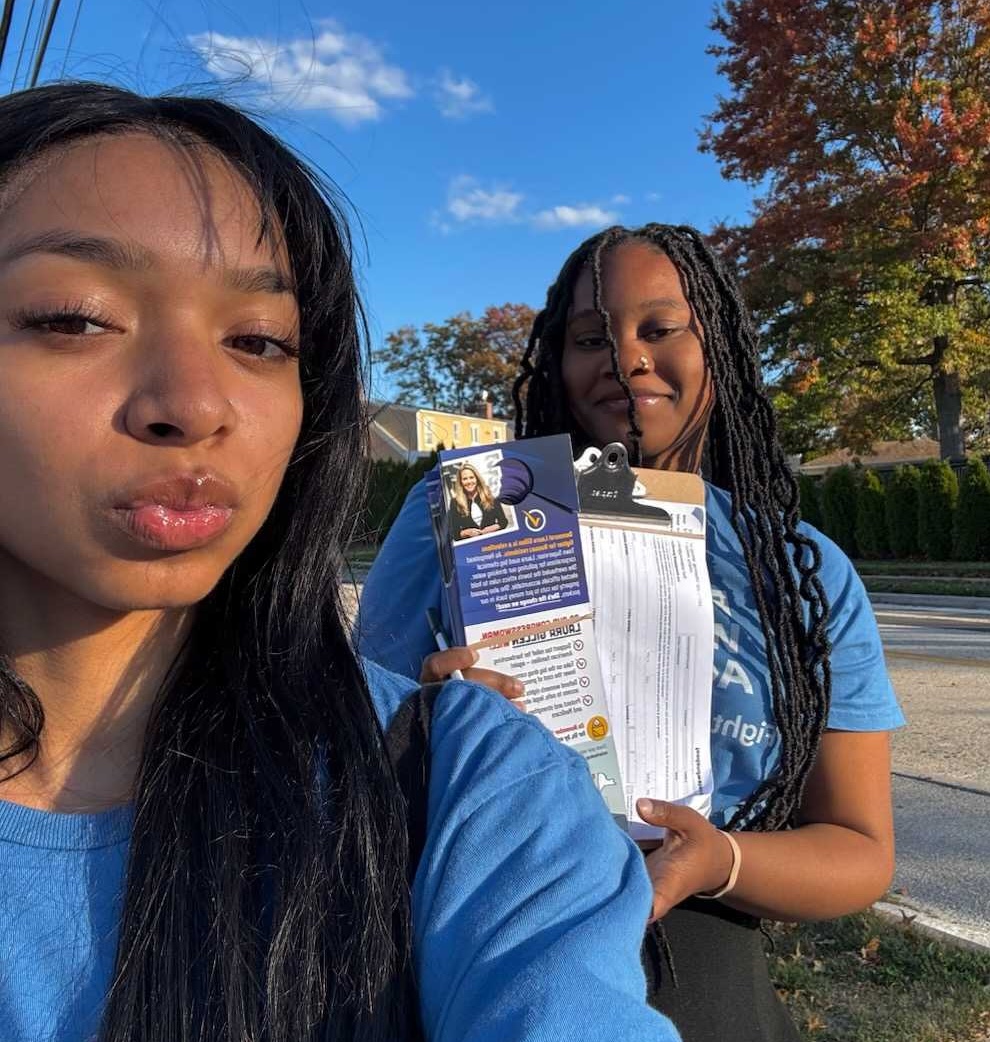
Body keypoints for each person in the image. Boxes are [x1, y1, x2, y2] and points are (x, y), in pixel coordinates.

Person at [0, 85, 680, 1042]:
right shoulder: (474, 505)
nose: (196, 404)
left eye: (257, 340)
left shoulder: (469, 785)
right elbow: (394, 657)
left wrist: (725, 862)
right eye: (74, 317)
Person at [359, 224, 905, 1042]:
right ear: (557, 361)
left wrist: (722, 860)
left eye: (658, 329)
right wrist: (424, 728)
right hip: (479, 943)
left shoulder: (801, 573)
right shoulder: (471, 510)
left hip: (711, 973)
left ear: (716, 345)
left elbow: (861, 849)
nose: (624, 361)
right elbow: (339, 759)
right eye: (589, 339)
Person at [447, 462, 508, 541]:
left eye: (471, 477)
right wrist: (465, 533)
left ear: (477, 479)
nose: (469, 481)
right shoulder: (455, 502)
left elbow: (503, 522)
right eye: (465, 479)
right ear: (460, 482)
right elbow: (454, 534)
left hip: (493, 542)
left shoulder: (488, 495)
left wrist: (490, 529)